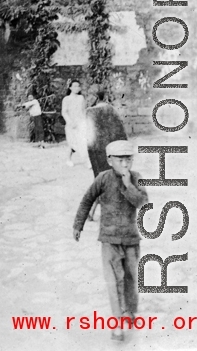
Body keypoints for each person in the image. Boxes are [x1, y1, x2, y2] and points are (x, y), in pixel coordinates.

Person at [73, 140, 148, 342]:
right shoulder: (102, 179)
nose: (125, 164)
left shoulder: (137, 178)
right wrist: (78, 224)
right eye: (120, 160)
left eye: (128, 159)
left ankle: (130, 312)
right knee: (113, 283)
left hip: (132, 240)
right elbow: (87, 199)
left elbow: (142, 201)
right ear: (109, 160)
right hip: (109, 240)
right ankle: (117, 324)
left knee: (132, 280)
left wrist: (128, 185)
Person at [85, 88, 127, 220]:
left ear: (96, 97)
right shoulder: (112, 110)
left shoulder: (90, 112)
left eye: (90, 96)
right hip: (112, 150)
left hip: (97, 150)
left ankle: (94, 212)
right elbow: (121, 132)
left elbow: (88, 135)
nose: (87, 99)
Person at [61, 79, 88, 167]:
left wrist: (84, 122)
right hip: (71, 124)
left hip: (81, 123)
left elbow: (83, 111)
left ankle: (87, 161)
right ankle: (68, 159)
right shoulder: (66, 99)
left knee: (84, 142)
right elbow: (64, 112)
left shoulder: (81, 98)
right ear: (70, 87)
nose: (77, 88)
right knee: (71, 143)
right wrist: (70, 122)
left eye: (78, 86)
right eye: (75, 86)